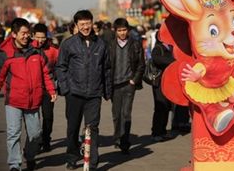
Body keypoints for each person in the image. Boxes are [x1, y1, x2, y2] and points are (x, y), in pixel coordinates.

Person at [0, 18, 57, 171]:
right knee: (14, 134)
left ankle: (29, 155)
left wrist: (52, 90)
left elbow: (46, 73)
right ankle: (14, 164)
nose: (27, 36)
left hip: (33, 101)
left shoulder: (37, 52)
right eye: (23, 33)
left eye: (28, 33)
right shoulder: (5, 54)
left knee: (35, 134)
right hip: (14, 101)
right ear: (14, 34)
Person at [56, 10, 111, 170]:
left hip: (94, 94)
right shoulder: (68, 44)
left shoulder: (101, 44)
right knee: (73, 127)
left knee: (92, 128)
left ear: (92, 23)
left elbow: (106, 68)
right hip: (74, 94)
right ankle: (72, 157)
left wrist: (107, 91)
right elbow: (60, 67)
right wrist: (66, 89)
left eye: (88, 23)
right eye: (82, 24)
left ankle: (92, 162)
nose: (86, 27)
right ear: (76, 25)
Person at [109, 18, 145, 153]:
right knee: (116, 114)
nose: (122, 33)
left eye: (124, 30)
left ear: (128, 30)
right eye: (119, 30)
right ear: (115, 31)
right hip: (114, 85)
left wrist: (134, 80)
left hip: (129, 84)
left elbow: (141, 64)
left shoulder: (135, 44)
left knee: (126, 113)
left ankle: (125, 141)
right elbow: (106, 65)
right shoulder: (110, 45)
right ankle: (117, 137)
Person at [32, 23, 59, 152]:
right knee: (33, 118)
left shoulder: (53, 50)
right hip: (33, 89)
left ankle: (46, 139)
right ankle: (35, 141)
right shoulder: (28, 50)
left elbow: (60, 65)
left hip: (48, 89)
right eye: (37, 37)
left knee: (48, 116)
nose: (40, 40)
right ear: (33, 36)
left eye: (43, 37)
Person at [150, 32, 175, 141]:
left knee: (166, 106)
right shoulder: (158, 48)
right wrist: (173, 62)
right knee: (160, 107)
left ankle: (163, 130)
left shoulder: (170, 48)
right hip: (159, 82)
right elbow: (157, 59)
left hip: (168, 82)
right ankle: (156, 132)